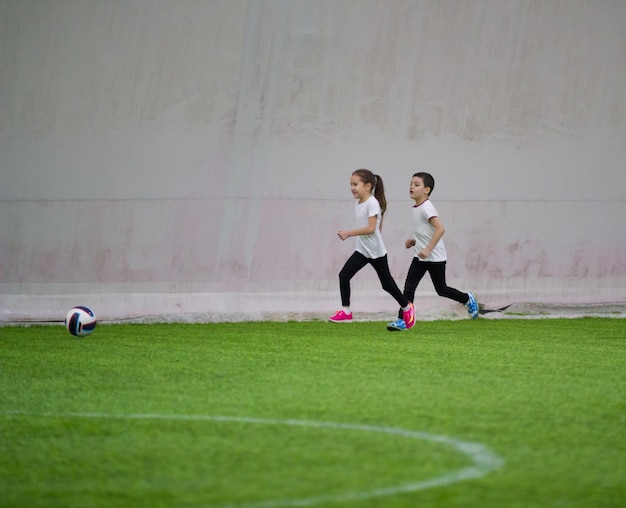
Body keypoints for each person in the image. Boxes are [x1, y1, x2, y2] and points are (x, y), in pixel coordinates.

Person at [387, 172, 479, 331]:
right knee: (409, 288)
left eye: (416, 184)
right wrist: (415, 242)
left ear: (426, 190)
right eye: (410, 183)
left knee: (441, 289)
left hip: (435, 257)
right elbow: (426, 232)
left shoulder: (427, 207)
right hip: (420, 257)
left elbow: (440, 229)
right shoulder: (416, 208)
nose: (411, 187)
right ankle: (403, 320)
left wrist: (428, 248)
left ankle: (466, 299)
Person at [329, 169, 415, 328]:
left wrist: (349, 233)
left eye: (355, 184)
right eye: (351, 185)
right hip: (362, 250)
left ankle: (406, 307)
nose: (352, 188)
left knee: (387, 284)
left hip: (376, 253)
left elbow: (371, 228)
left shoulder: (372, 202)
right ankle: (346, 312)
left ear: (367, 186)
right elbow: (375, 228)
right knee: (344, 275)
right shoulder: (359, 203)